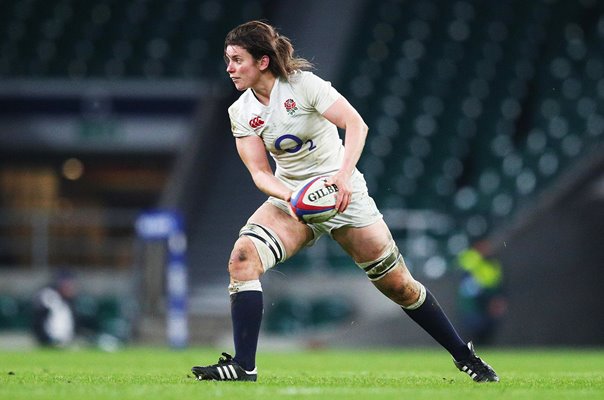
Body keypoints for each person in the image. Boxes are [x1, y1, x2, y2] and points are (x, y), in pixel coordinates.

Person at [191, 20, 499, 383]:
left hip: (344, 193)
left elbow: (356, 126)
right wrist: (295, 197)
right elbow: (260, 174)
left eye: (237, 59)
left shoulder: (304, 86)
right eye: (227, 59)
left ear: (262, 61)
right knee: (242, 259)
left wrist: (341, 177)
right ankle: (244, 366)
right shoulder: (240, 112)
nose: (229, 68)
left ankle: (464, 356)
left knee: (400, 286)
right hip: (291, 197)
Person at [457, 240, 507, 345]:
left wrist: (498, 299)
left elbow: (498, 283)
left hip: (488, 301)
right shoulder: (470, 260)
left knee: (488, 331)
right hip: (474, 303)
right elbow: (469, 285)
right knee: (475, 329)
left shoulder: (493, 263)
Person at [31, 271, 77, 347]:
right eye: (68, 283)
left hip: (64, 342)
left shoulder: (68, 302)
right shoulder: (49, 295)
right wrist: (45, 339)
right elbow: (38, 320)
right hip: (49, 341)